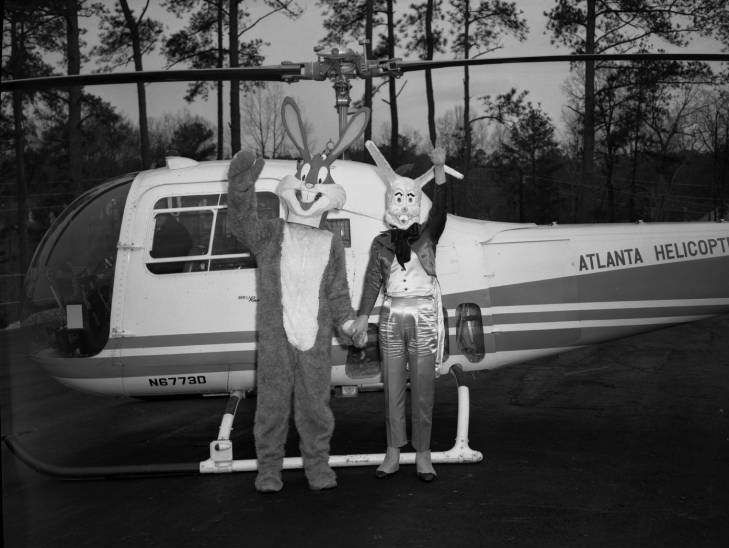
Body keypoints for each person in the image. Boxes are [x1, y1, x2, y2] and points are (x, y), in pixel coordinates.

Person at [227, 97, 370, 493]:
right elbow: (240, 223)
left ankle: (317, 465)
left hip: (316, 341)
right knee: (271, 404)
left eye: (318, 185)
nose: (309, 191)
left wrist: (349, 325)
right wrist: (241, 185)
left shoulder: (332, 244)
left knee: (315, 406)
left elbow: (338, 294)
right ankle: (268, 468)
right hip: (276, 337)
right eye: (304, 182)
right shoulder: (271, 233)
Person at [352, 143, 448, 483]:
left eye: (411, 198)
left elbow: (441, 212)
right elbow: (372, 282)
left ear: (417, 203)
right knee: (392, 387)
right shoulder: (381, 243)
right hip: (392, 316)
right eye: (399, 198)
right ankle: (393, 453)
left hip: (423, 315)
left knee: (423, 388)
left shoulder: (428, 235)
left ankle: (423, 455)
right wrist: (363, 316)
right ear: (390, 202)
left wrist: (438, 171)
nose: (405, 205)